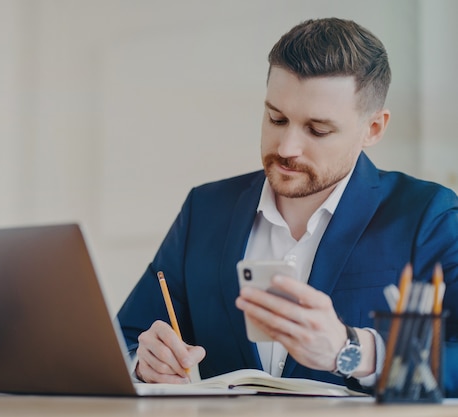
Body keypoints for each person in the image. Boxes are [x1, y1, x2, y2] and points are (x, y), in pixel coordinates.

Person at [116, 17, 458, 393]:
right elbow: (127, 337)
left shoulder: (428, 216)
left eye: (317, 130)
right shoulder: (205, 210)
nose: (286, 148)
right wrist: (141, 361)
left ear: (373, 128)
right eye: (276, 118)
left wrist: (354, 352)